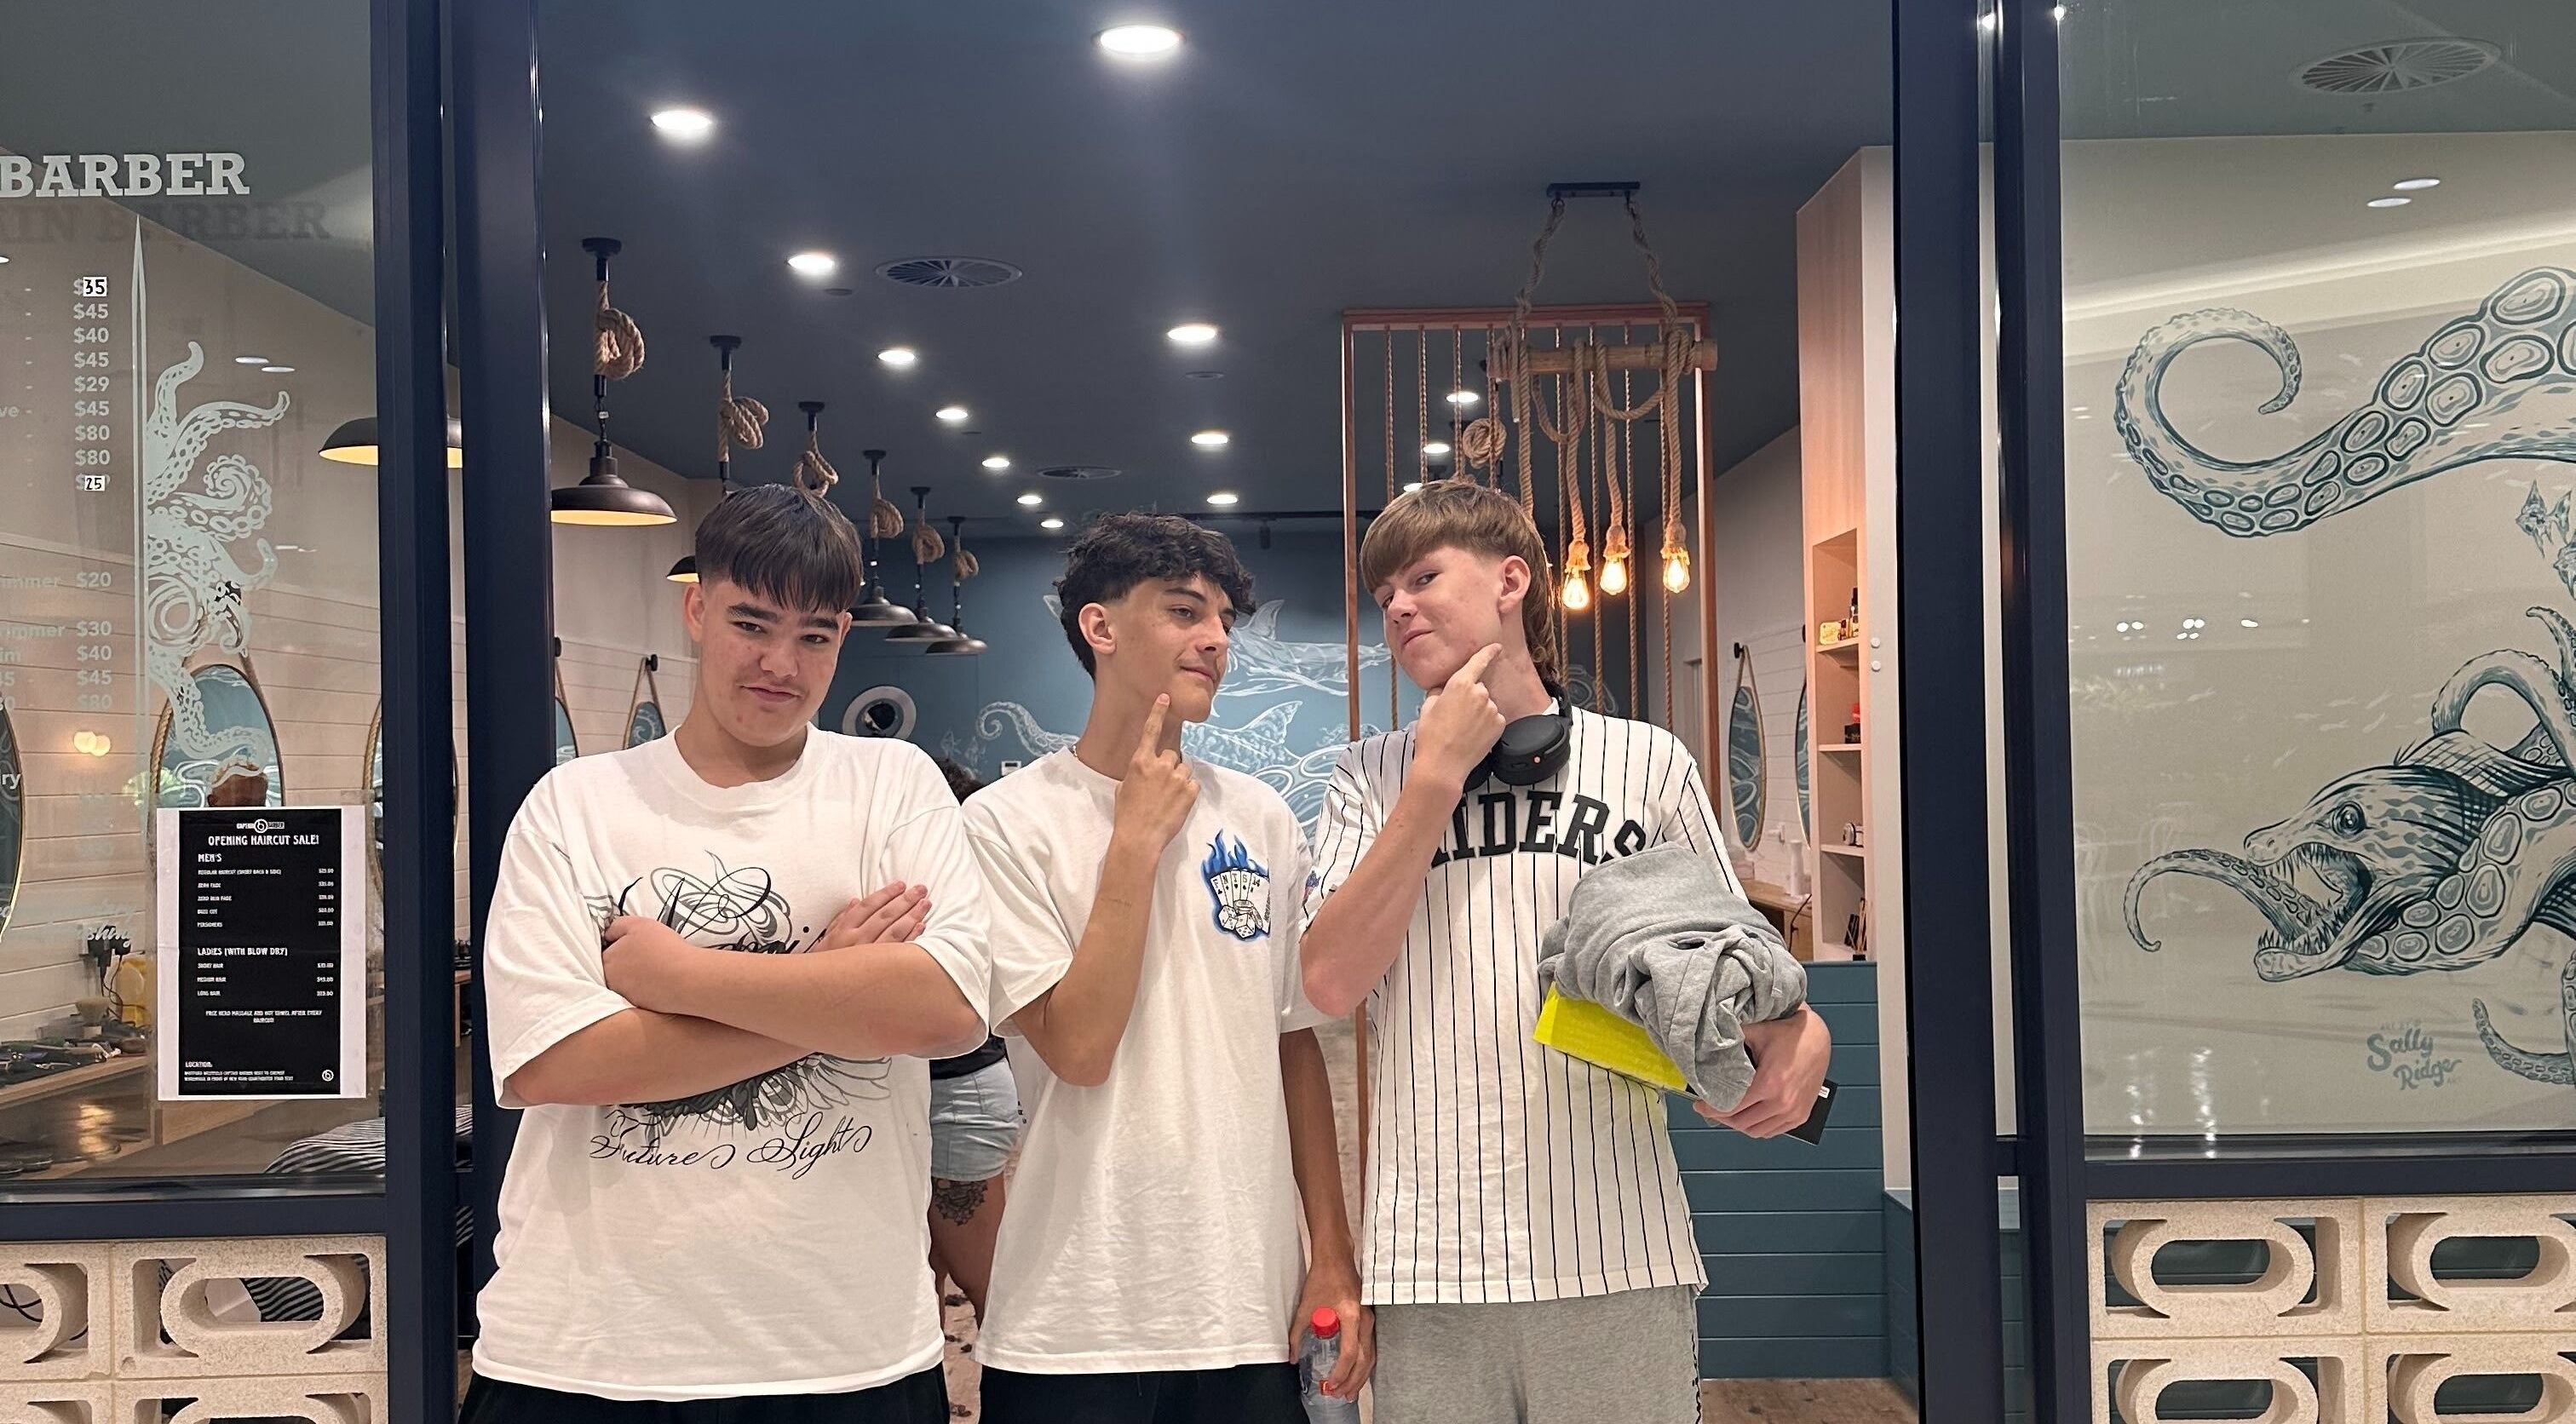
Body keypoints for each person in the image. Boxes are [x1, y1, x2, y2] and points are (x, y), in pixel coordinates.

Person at [1299, 480, 1832, 1424]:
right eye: (1383, 595)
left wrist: (1801, 1028)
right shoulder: (1370, 775)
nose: (1398, 606)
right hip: (1428, 1256)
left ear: (1512, 580)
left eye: (1423, 576)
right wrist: (1432, 781)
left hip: (1615, 1239)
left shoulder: (1647, 761)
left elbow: (1733, 960)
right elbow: (1330, 979)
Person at [463, 481, 992, 1422]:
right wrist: (829, 986)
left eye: (816, 636)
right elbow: (558, 1062)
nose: (782, 664)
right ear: (697, 609)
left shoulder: (892, 786)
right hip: (587, 1351)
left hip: (843, 1352)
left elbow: (945, 1008)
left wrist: (682, 979)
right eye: (753, 623)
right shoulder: (576, 806)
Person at [960, 514, 1371, 1424]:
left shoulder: (1261, 818)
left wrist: (1331, 1249)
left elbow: (1294, 1043)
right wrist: (1134, 846)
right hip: (1071, 1316)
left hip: (1243, 1308)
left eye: (1223, 618)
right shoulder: (1004, 824)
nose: (1217, 639)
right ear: (1099, 628)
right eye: (1185, 611)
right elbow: (1078, 1047)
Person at [924, 755, 1019, 1321]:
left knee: (992, 1291)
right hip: (924, 1093)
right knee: (918, 1284)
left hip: (961, 1094)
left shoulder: (969, 886)